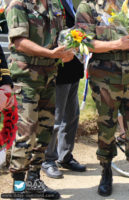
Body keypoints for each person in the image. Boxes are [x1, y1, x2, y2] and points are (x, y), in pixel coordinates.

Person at [75, 0, 129, 198]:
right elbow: (84, 42)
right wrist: (117, 44)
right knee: (107, 126)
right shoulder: (87, 7)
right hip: (104, 75)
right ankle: (106, 173)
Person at [5, 0, 73, 198]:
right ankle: (18, 187)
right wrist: (51, 53)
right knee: (26, 132)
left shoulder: (54, 4)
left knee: (44, 130)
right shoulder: (19, 4)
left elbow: (61, 36)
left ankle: (34, 180)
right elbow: (19, 42)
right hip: (26, 77)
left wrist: (67, 51)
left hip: (49, 76)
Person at [41, 0, 86, 179]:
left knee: (72, 115)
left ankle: (65, 156)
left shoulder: (70, 3)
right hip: (58, 67)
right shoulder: (51, 3)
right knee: (56, 118)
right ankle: (48, 159)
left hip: (73, 68)